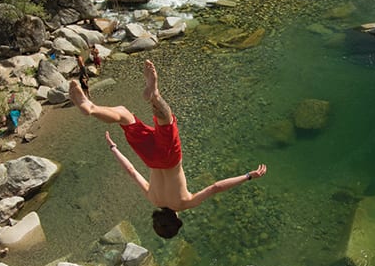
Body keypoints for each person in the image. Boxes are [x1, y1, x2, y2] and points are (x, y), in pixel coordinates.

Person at [68, 60, 266, 238]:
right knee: (124, 115)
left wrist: (248, 176)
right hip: (149, 159)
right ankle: (91, 108)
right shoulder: (152, 198)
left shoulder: (184, 203)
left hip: (170, 158)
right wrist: (114, 148)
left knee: (166, 119)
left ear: (177, 220)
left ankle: (154, 94)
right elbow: (131, 171)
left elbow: (215, 187)